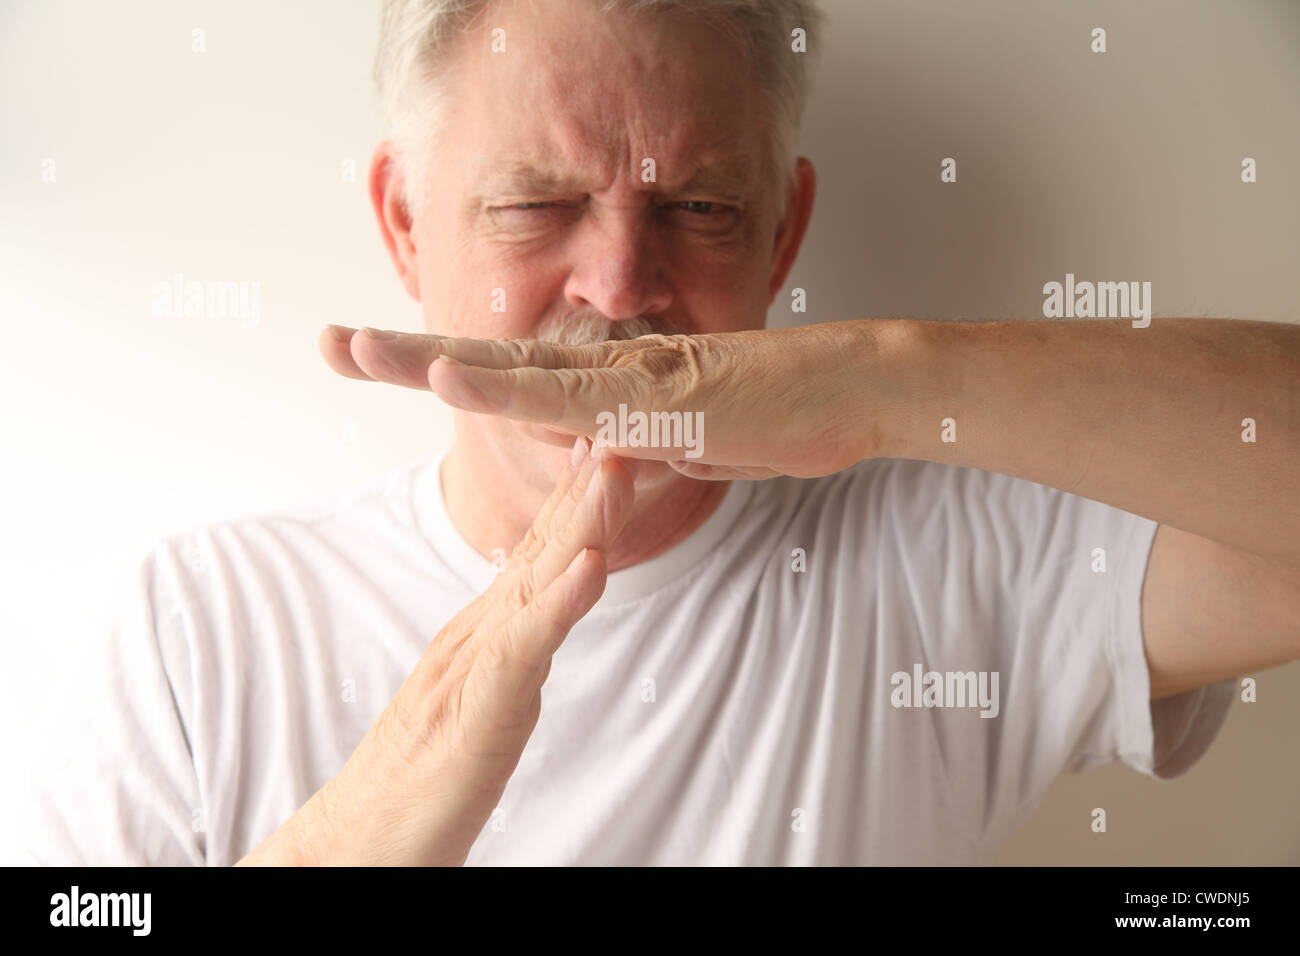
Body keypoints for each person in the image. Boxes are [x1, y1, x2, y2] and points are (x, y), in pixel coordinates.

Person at [20, 0, 1299, 866]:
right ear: (405, 222)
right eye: (534, 205)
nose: (621, 286)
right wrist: (386, 799)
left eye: (698, 207)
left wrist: (884, 376)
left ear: (785, 234)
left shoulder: (955, 545)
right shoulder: (194, 628)